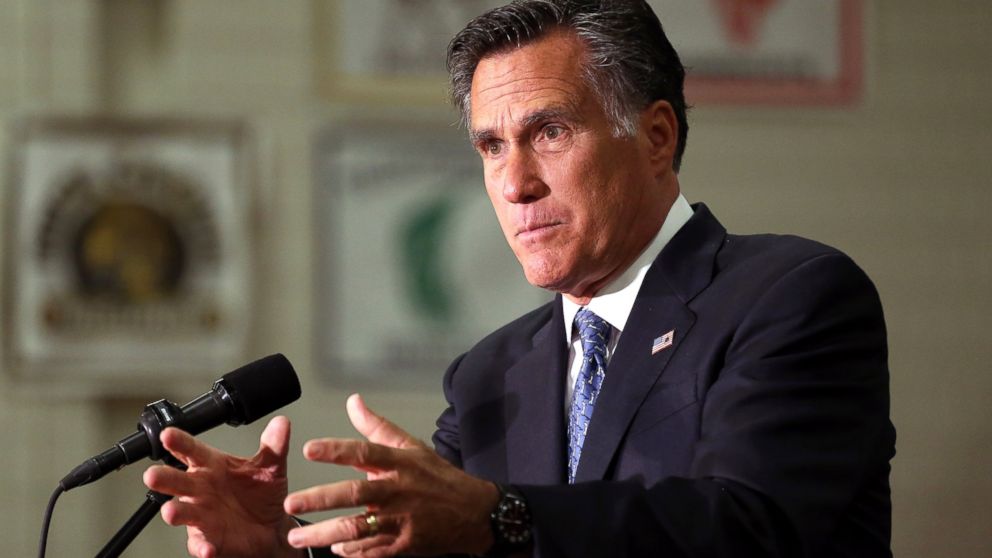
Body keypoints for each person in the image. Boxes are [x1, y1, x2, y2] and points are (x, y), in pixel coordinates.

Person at [143, 1, 896, 557]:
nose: (514, 183)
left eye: (550, 132)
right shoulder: (491, 376)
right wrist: (279, 547)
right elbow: (425, 547)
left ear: (656, 137)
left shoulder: (792, 297)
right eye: (492, 147)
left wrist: (499, 517)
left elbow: (748, 529)